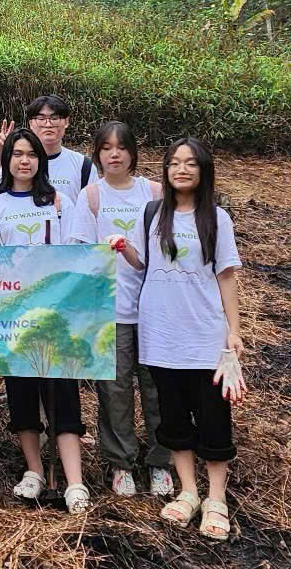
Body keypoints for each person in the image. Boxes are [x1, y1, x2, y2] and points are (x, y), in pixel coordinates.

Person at [125, 137, 244, 542]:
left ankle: (216, 498)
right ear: (166, 170)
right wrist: (123, 249)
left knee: (214, 417)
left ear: (203, 170)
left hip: (205, 335)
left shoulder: (217, 218)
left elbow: (226, 276)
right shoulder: (153, 214)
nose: (182, 169)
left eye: (190, 163)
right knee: (172, 416)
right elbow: (142, 262)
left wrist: (234, 330)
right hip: (160, 333)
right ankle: (188, 491)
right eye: (174, 163)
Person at [0, 128, 90, 514]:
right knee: (22, 392)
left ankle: (74, 481)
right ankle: (35, 471)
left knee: (63, 393)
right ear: (7, 160)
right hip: (15, 317)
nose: (24, 161)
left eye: (31, 154)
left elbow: (75, 252)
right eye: (17, 154)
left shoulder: (58, 202)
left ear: (41, 161)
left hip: (55, 315)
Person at [67, 120, 172, 498]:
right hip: (110, 310)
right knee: (115, 390)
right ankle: (121, 462)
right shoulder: (91, 196)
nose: (114, 155)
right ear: (97, 154)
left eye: (121, 148)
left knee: (159, 388)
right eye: (106, 148)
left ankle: (161, 461)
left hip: (156, 310)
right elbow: (79, 251)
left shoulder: (154, 192)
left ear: (133, 153)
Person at [0, 95, 92, 206]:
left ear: (66, 122)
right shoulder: (15, 160)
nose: (48, 124)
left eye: (54, 118)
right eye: (41, 119)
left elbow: (92, 206)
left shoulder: (83, 164)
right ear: (31, 123)